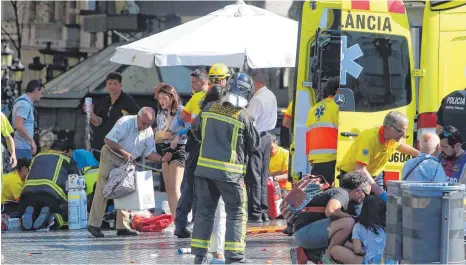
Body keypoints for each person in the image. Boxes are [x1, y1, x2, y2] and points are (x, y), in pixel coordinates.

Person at [190, 72, 260, 264]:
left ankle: (199, 256)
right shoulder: (244, 116)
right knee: (236, 213)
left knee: (204, 212)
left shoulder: (210, 107)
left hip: (204, 171)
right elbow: (254, 145)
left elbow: (195, 129)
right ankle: (234, 257)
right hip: (230, 175)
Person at [87, 107, 172, 238]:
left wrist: (162, 159)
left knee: (126, 188)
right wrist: (124, 153)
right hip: (111, 154)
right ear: (138, 117)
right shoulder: (125, 122)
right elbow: (108, 141)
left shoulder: (148, 131)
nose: (144, 126)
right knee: (104, 187)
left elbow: (149, 153)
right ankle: (94, 224)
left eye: (148, 124)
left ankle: (122, 226)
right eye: (143, 123)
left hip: (127, 160)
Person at [174, 66, 230, 238]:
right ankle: (200, 223)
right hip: (215, 148)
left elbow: (182, 118)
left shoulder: (198, 97)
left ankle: (181, 223)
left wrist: (188, 127)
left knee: (189, 184)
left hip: (195, 143)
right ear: (223, 80)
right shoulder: (227, 100)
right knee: (208, 187)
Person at [293, 171, 370, 264]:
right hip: (304, 231)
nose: (366, 199)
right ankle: (327, 258)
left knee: (345, 237)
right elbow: (331, 211)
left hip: (306, 233)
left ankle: (305, 254)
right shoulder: (342, 193)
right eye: (366, 195)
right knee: (348, 223)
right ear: (358, 191)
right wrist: (351, 217)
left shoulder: (346, 198)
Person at [337, 111, 420, 196]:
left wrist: (420, 155)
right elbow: (360, 168)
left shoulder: (392, 137)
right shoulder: (369, 139)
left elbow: (400, 146)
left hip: (374, 174)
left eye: (405, 131)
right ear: (389, 127)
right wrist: (376, 188)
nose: (404, 135)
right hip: (353, 175)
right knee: (356, 206)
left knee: (380, 203)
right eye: (401, 131)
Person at [18, 141, 79, 231]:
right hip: (51, 195)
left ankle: (27, 215)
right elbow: (75, 183)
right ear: (68, 151)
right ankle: (54, 218)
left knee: (34, 210)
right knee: (68, 215)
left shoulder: (36, 157)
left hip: (28, 194)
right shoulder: (68, 160)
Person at [153, 84, 189, 232]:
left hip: (178, 149)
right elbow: (157, 133)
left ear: (172, 97)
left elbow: (188, 128)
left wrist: (176, 136)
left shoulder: (181, 111)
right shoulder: (160, 113)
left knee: (175, 187)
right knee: (169, 189)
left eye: (165, 98)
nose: (162, 101)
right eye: (160, 99)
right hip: (164, 149)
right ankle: (175, 221)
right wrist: (162, 135)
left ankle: (182, 220)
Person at [84, 72, 140, 161]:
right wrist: (91, 113)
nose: (112, 86)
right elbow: (98, 122)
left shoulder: (128, 101)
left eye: (115, 84)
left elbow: (138, 119)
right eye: (109, 84)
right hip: (103, 144)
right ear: (106, 85)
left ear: (120, 85)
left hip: (120, 145)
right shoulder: (105, 101)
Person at [246, 69, 278, 223]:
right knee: (263, 175)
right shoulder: (271, 95)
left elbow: (248, 119)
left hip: (256, 137)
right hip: (267, 137)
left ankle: (255, 212)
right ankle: (263, 210)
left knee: (253, 176)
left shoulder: (257, 99)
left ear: (257, 83)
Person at [330, 195, 387, 264]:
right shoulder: (389, 225)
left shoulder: (358, 226)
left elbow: (357, 249)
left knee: (335, 250)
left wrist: (367, 251)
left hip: (370, 262)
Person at [305, 77, 340, 184]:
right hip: (332, 158)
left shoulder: (313, 109)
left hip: (316, 159)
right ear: (337, 91)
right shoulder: (338, 107)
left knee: (319, 194)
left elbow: (308, 135)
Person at [11, 80, 44, 159]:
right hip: (22, 148)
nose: (41, 96)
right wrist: (31, 141)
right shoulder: (24, 104)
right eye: (41, 93)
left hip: (22, 147)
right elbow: (19, 126)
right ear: (36, 90)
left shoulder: (22, 102)